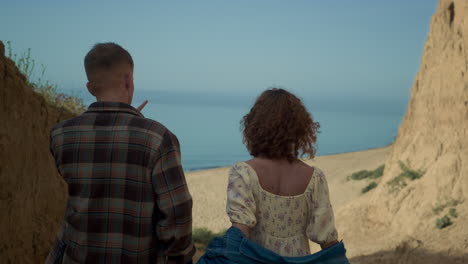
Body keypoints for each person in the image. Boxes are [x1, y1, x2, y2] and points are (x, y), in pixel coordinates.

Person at [46, 43, 195, 264]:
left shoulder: (60, 135)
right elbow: (177, 218)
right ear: (128, 79)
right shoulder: (158, 138)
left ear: (89, 87)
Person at [198, 88, 348, 264]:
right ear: (300, 128)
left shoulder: (244, 173)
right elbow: (328, 239)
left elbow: (240, 234)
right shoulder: (314, 177)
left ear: (255, 125)